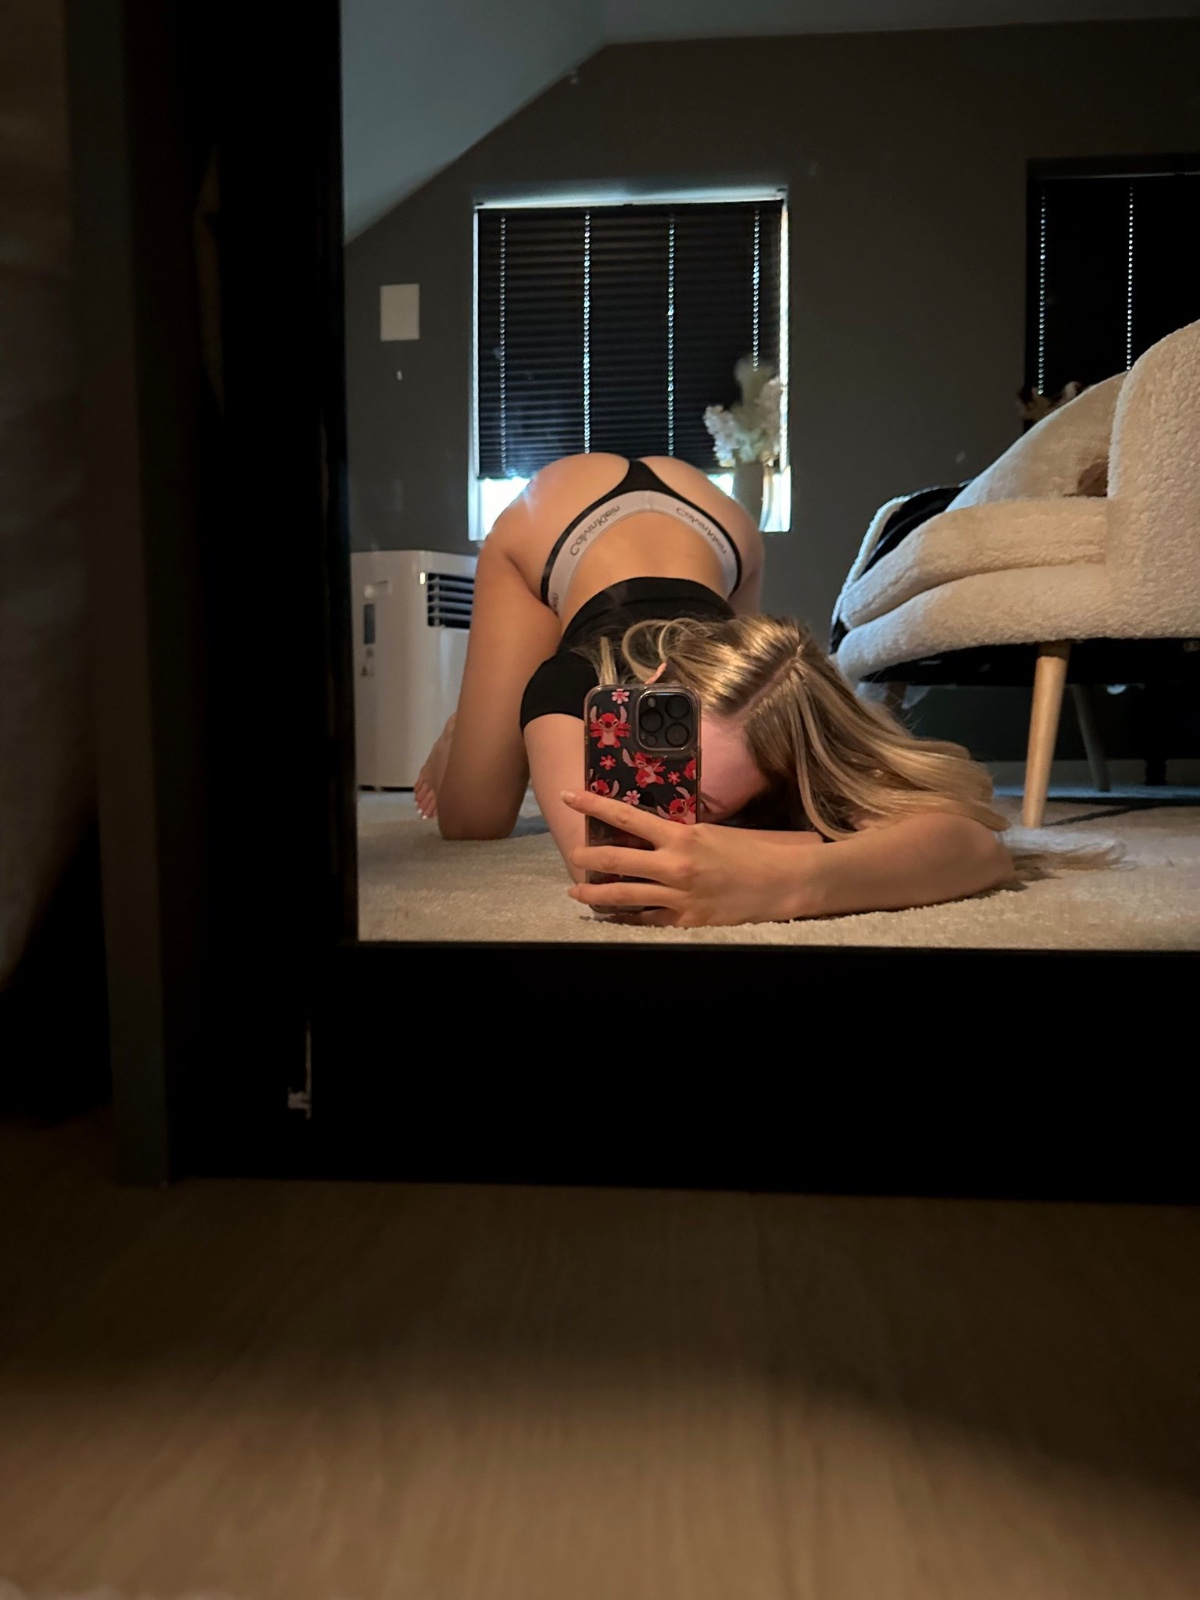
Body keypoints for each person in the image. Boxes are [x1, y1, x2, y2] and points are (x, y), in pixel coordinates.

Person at [415, 452, 1014, 928]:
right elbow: (604, 871)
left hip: (722, 529)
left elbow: (977, 848)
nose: (673, 803)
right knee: (474, 819)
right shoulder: (570, 685)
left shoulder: (791, 727)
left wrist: (792, 880)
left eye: (703, 803)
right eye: (671, 764)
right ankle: (468, 724)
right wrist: (799, 850)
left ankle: (485, 720)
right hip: (552, 527)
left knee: (766, 679)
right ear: (653, 685)